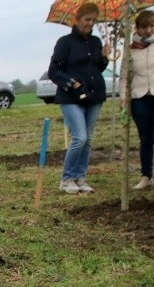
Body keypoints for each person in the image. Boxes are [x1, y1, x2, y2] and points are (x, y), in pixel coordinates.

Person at [48, 2, 112, 195]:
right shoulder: (64, 43)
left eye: (93, 20)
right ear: (77, 20)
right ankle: (67, 178)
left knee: (88, 139)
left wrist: (104, 58)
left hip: (94, 95)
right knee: (80, 137)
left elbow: (96, 69)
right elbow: (54, 71)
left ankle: (80, 178)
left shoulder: (96, 43)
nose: (90, 24)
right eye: (87, 20)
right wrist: (72, 82)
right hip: (70, 97)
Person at [121, 9, 154, 191]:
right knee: (145, 138)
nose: (148, 30)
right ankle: (146, 176)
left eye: (152, 25)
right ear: (136, 28)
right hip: (140, 98)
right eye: (144, 27)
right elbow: (124, 76)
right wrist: (124, 99)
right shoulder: (131, 49)